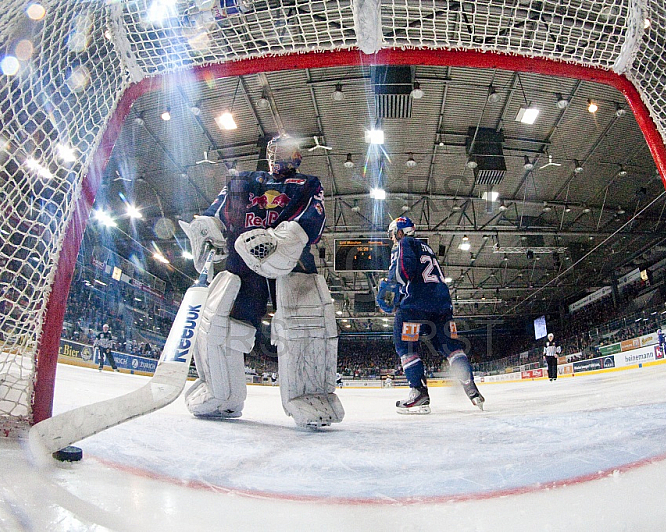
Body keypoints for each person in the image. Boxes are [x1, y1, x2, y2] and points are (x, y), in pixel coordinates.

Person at [178, 134, 343, 429]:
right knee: (219, 322)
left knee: (305, 323)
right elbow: (217, 211)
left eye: (286, 151)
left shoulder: (307, 184)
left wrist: (283, 240)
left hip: (290, 259)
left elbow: (312, 219)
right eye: (275, 151)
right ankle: (221, 394)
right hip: (241, 258)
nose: (279, 156)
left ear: (297, 157)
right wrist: (206, 229)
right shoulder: (242, 181)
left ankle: (309, 396)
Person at [376, 216, 484, 414]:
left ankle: (419, 393)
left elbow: (402, 271)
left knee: (406, 346)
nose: (392, 238)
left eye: (392, 234)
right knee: (451, 347)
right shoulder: (427, 249)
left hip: (415, 306)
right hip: (441, 305)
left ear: (399, 232)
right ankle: (471, 387)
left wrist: (389, 287)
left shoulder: (404, 243)